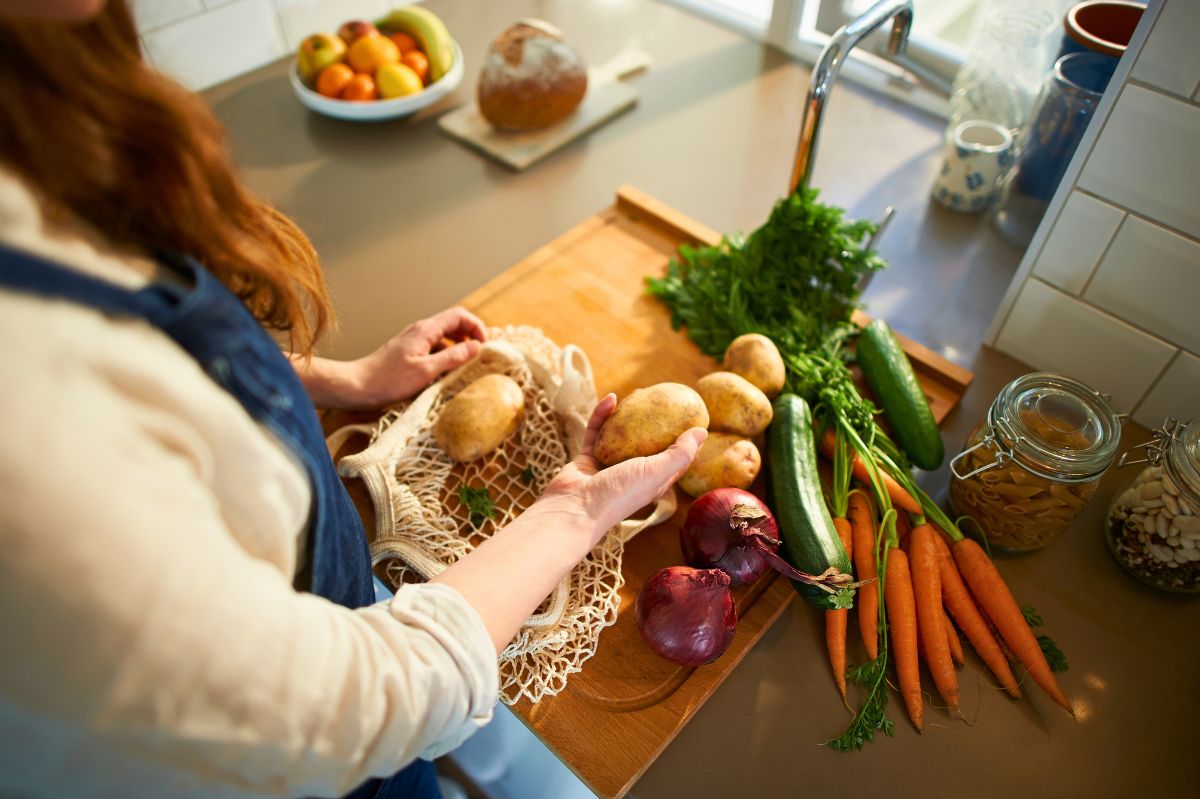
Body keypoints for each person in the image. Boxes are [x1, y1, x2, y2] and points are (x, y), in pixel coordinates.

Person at [0, 2, 706, 797]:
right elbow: (361, 703)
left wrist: (343, 380)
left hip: (327, 589)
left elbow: (141, 349)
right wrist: (574, 511)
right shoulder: (28, 433)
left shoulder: (41, 103)